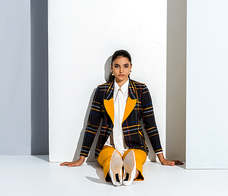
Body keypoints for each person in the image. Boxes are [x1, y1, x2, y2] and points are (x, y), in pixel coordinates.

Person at [61, 49, 182, 186]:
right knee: (110, 160)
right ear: (111, 68)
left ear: (131, 68)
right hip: (107, 146)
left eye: (125, 66)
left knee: (135, 160)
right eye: (117, 66)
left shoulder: (141, 90)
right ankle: (115, 174)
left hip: (136, 146)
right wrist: (81, 158)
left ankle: (132, 173)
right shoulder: (101, 91)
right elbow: (92, 126)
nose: (121, 70)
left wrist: (162, 158)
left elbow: (151, 125)